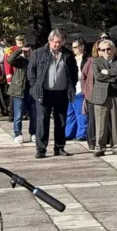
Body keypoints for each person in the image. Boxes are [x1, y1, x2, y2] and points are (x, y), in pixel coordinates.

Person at [27, 29, 78, 159]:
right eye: (55, 42)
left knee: (61, 121)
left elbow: (74, 72)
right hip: (43, 93)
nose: (57, 45)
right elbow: (31, 71)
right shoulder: (39, 53)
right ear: (49, 41)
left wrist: (71, 85)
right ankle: (41, 149)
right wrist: (34, 88)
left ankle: (59, 148)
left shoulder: (67, 54)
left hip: (61, 93)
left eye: (60, 42)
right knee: (42, 121)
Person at [91, 40, 117, 157]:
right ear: (99, 51)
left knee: (116, 123)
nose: (106, 52)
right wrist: (114, 76)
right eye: (103, 50)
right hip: (101, 96)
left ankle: (116, 147)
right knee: (100, 124)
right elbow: (97, 76)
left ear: (114, 50)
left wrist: (107, 72)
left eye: (108, 49)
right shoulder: (96, 61)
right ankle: (100, 147)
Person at [7, 42, 36, 143]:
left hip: (32, 91)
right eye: (26, 51)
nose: (27, 53)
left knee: (33, 114)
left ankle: (33, 133)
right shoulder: (20, 61)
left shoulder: (35, 61)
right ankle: (17, 134)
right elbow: (9, 60)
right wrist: (20, 50)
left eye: (29, 50)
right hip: (19, 90)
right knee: (18, 115)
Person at [65, 39, 89, 142]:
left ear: (82, 47)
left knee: (81, 113)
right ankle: (69, 133)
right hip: (71, 90)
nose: (73, 49)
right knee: (70, 113)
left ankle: (82, 134)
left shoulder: (87, 60)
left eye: (75, 47)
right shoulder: (71, 59)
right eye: (72, 47)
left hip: (81, 89)